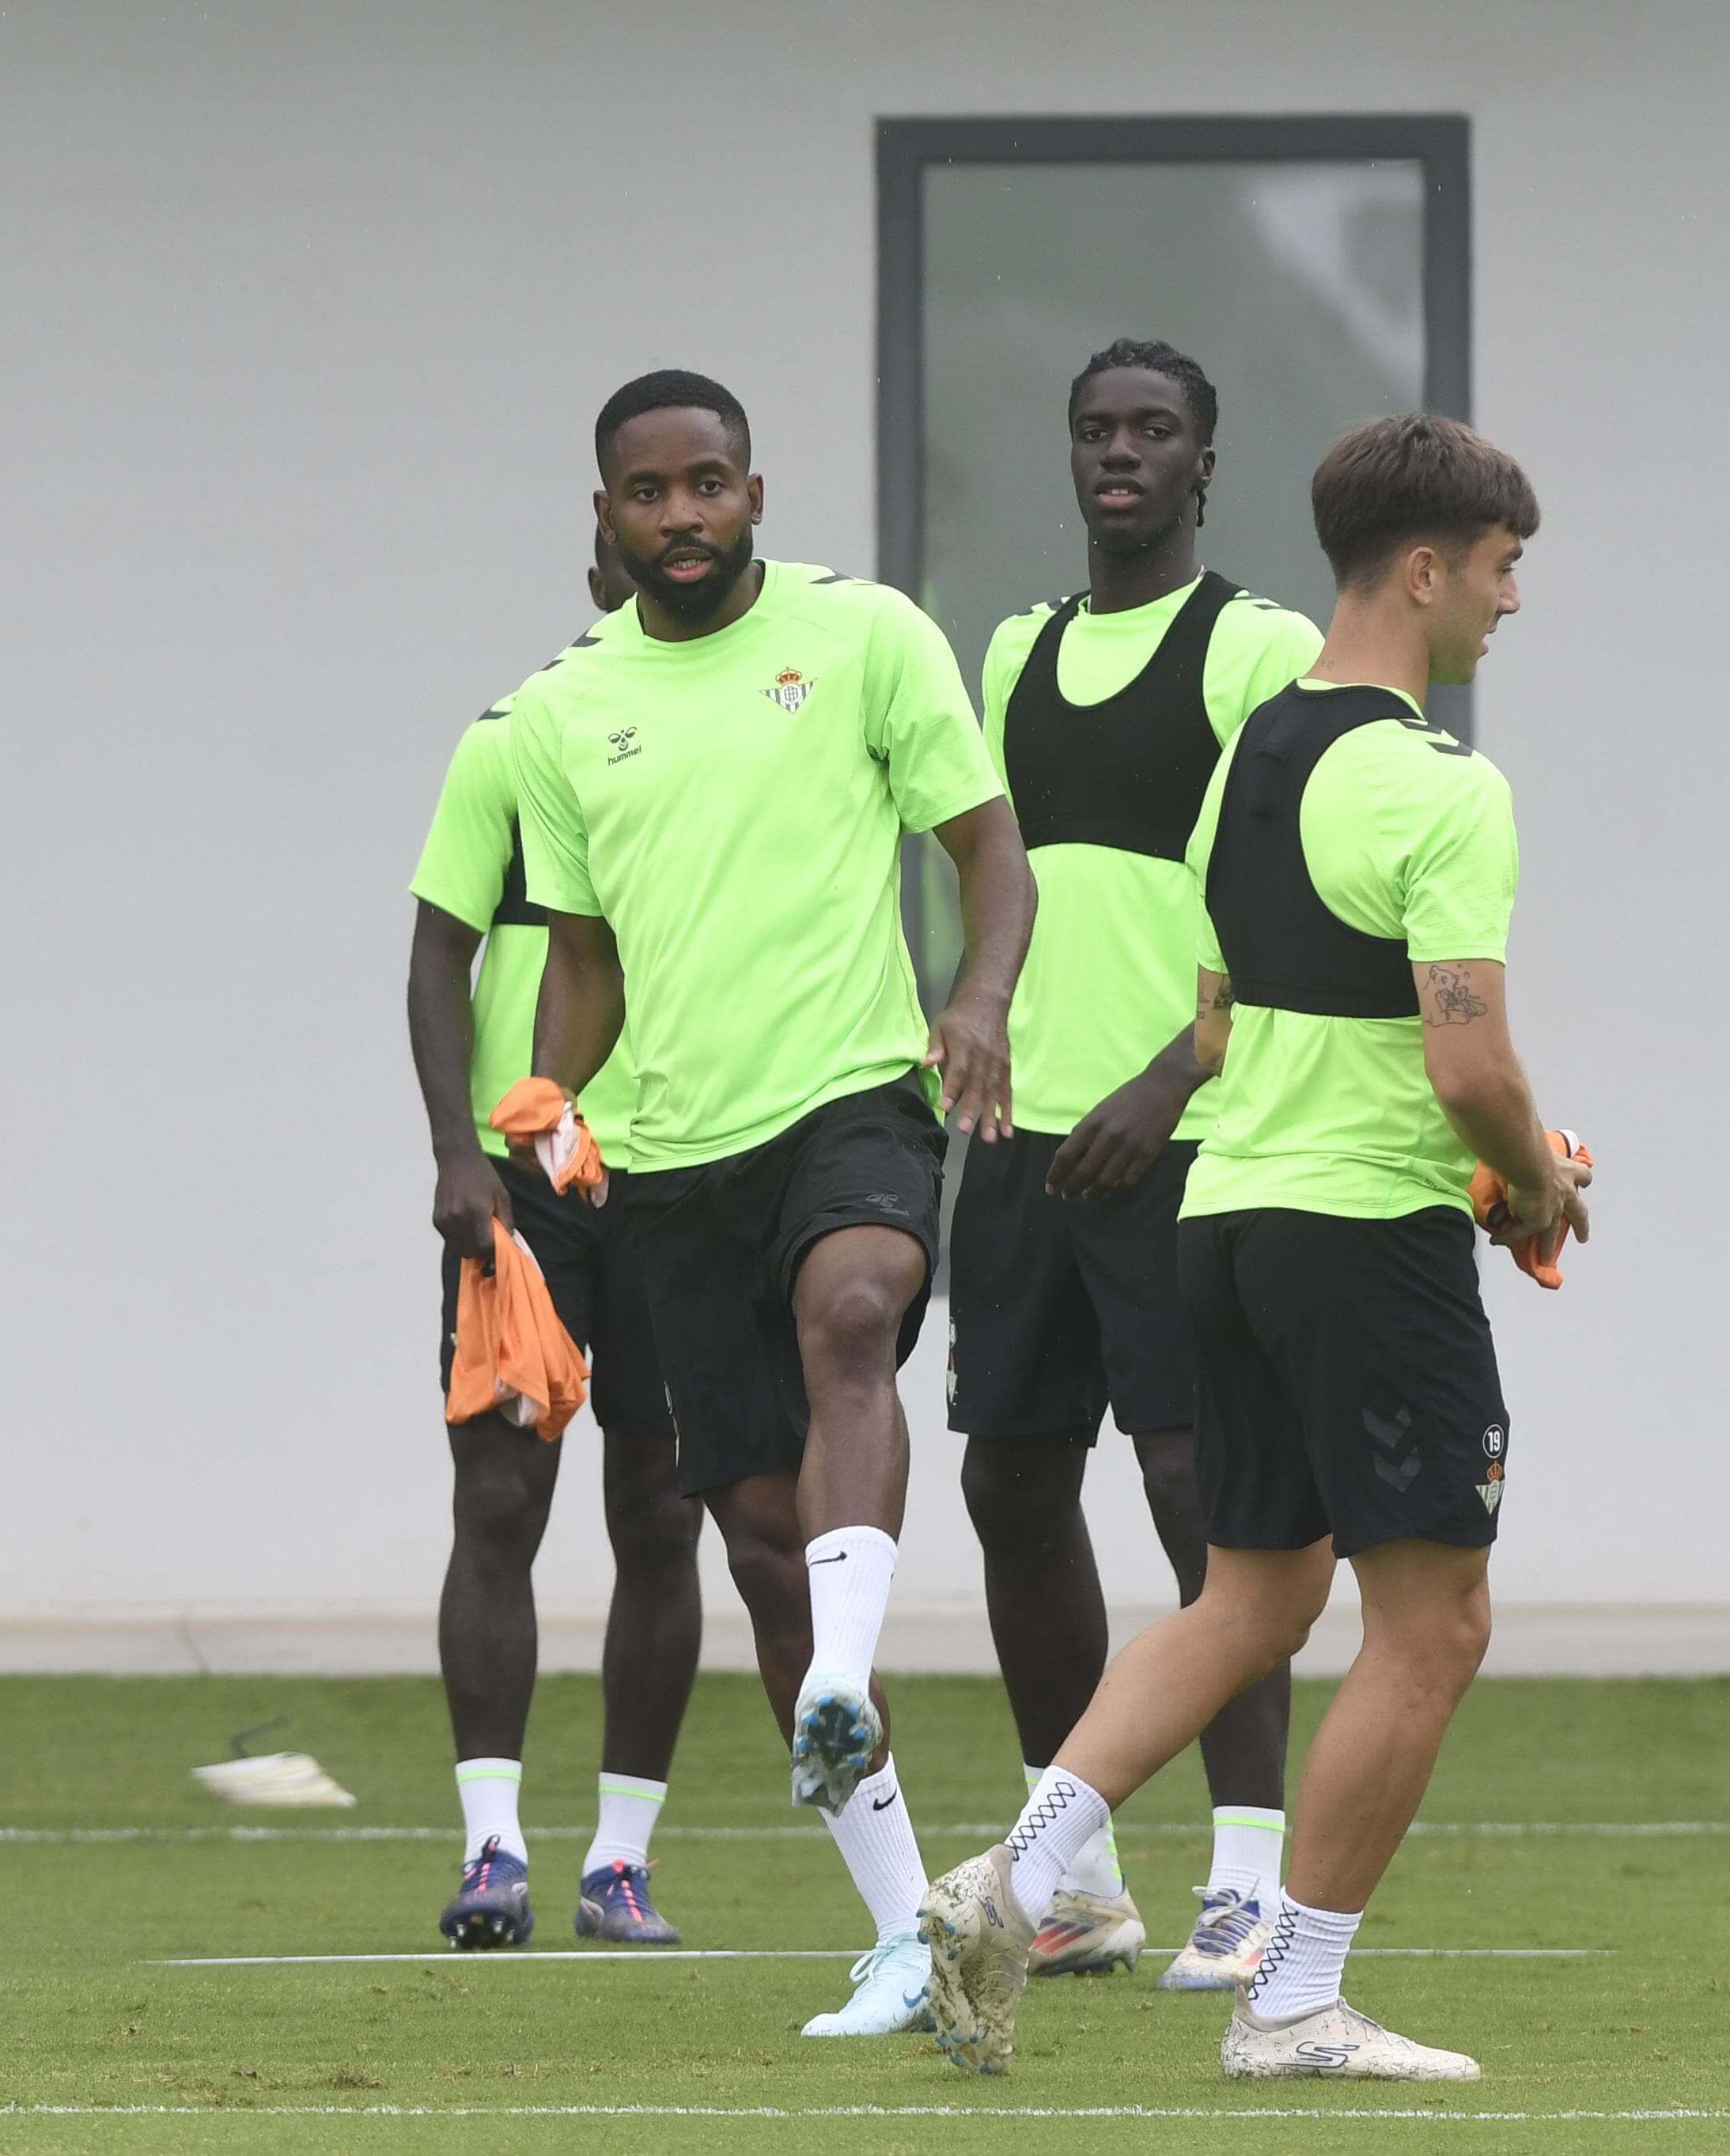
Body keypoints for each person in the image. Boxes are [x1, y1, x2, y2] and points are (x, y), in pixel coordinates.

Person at [922, 414, 1572, 2084]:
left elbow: (1218, 1026)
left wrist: (1488, 1154)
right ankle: (1292, 1998)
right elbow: (1466, 1062)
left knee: (1253, 1591)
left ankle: (1013, 1875)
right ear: (1424, 571)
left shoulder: (1246, 768)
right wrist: (1535, 1184)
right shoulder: (1442, 785)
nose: (1509, 606)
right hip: (1364, 1237)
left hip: (1227, 1220)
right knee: (1433, 1623)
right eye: (1502, 572)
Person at [510, 370, 1038, 2035]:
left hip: (855, 1090)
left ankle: (835, 1669)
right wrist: (542, 1107)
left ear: (755, 489)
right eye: (647, 493)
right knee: (748, 1531)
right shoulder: (554, 712)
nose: (681, 515)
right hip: (668, 1158)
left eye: (708, 483)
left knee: (858, 1309)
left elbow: (986, 846)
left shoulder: (869, 633)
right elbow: (581, 958)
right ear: (604, 516)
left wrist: (979, 1001)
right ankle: (909, 1932)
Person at [948, 340, 1323, 1988]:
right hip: (1024, 1140)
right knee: (1009, 1480)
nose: (1119, 453)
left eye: (1152, 430)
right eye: (1095, 427)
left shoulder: (1259, 646)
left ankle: (1246, 1882)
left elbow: (1289, 899)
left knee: (1206, 1508)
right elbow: (1000, 882)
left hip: (1183, 1134)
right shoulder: (1012, 646)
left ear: (1203, 461)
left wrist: (1177, 1073)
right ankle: (1077, 1870)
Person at [408, 534, 705, 1951]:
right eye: (635, 527)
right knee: (498, 1507)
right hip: (526, 1194)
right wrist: (458, 1149)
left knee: (659, 1513)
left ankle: (620, 1863)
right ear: (602, 563)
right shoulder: (514, 733)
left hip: (685, 1173)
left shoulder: (725, 752)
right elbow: (432, 956)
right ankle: (491, 1852)